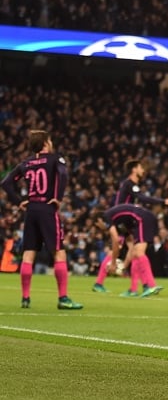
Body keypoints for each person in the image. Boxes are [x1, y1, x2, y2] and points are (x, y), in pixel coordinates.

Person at [0, 130, 83, 309]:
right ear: (45, 142)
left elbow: (6, 183)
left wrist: (19, 202)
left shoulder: (26, 163)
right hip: (47, 209)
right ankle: (63, 298)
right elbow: (63, 174)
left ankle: (25, 298)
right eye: (50, 140)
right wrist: (58, 197)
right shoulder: (54, 159)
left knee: (29, 254)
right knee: (59, 252)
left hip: (31, 210)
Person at [109, 159, 168, 295]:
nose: (143, 170)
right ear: (134, 170)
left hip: (124, 220)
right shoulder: (129, 184)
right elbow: (142, 198)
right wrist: (163, 201)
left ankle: (134, 288)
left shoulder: (127, 185)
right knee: (134, 251)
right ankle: (145, 284)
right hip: (124, 220)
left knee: (135, 253)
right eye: (140, 168)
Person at [94, 203, 164, 298]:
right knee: (136, 253)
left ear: (99, 221)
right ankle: (134, 289)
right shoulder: (122, 224)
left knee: (139, 253)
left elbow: (115, 240)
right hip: (147, 219)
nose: (101, 229)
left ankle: (151, 285)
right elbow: (131, 248)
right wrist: (124, 267)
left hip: (142, 219)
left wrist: (113, 263)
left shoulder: (107, 217)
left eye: (98, 226)